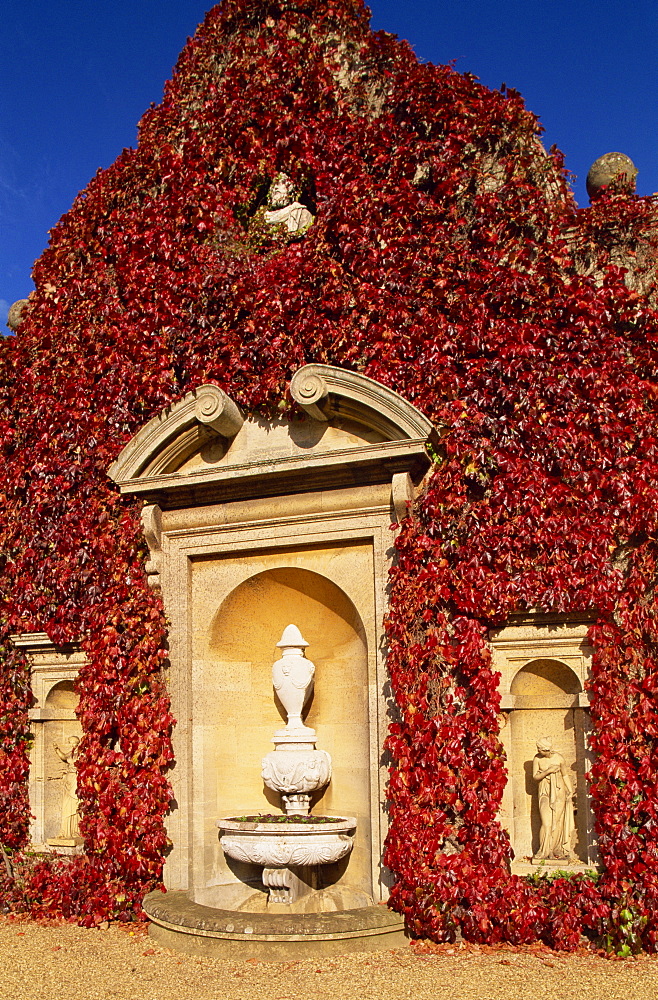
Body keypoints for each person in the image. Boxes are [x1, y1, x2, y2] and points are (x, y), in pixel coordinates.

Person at [532, 736, 576, 863]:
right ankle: (544, 850)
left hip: (558, 790)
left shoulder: (559, 758)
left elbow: (565, 775)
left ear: (546, 749)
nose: (538, 750)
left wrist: (570, 790)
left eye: (540, 749)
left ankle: (553, 850)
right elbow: (535, 777)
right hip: (544, 790)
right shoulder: (537, 759)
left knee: (556, 823)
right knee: (546, 823)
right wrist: (548, 771)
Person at [52, 735, 81, 840]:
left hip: (76, 778)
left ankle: (74, 830)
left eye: (73, 743)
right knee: (66, 805)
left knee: (74, 803)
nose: (72, 745)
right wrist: (57, 749)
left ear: (77, 743)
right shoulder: (71, 753)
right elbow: (64, 757)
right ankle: (66, 831)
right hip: (69, 778)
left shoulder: (80, 754)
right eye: (71, 743)